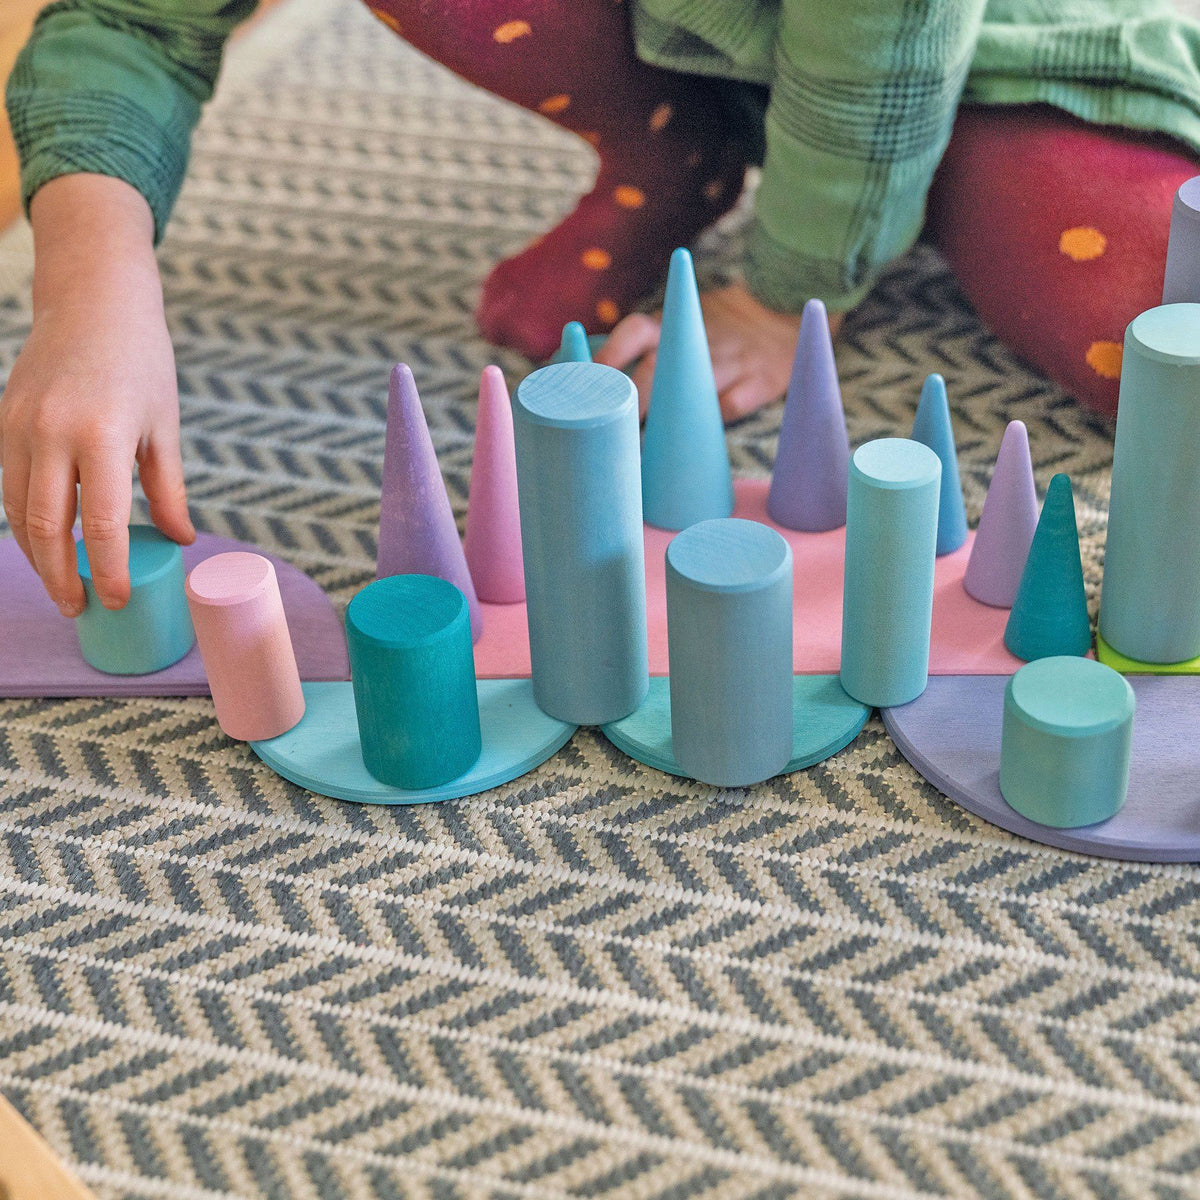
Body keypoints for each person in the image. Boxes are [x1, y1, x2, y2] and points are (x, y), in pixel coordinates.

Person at [3, 0, 1200, 617]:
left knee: (1145, 331)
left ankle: (875, 198)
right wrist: (92, 287)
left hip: (1011, 46)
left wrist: (792, 293)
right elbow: (127, 24)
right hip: (704, 31)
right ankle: (677, 153)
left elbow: (888, 44)